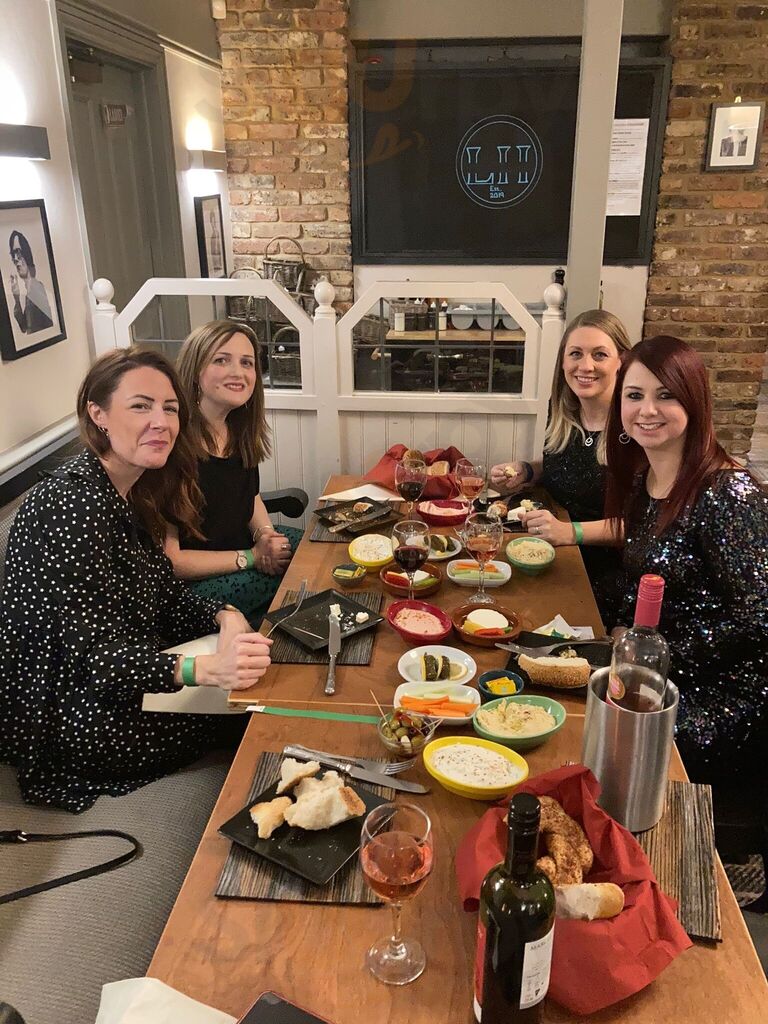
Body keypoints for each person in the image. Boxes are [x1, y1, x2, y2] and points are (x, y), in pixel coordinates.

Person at [0, 348, 272, 812]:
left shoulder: (133, 490)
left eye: (170, 408)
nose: (161, 422)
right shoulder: (71, 505)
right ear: (98, 414)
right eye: (140, 406)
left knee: (267, 685)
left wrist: (225, 615)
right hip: (75, 716)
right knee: (263, 712)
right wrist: (204, 671)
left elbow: (165, 595)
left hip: (127, 677)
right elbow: (92, 659)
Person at [604, 335, 768, 781]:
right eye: (634, 395)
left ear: (694, 403)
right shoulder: (645, 481)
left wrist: (653, 656)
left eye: (666, 395)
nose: (647, 410)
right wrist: (622, 631)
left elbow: (758, 618)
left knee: (604, 747)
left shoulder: (728, 493)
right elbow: (643, 575)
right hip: (658, 675)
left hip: (721, 695)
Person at [490, 309, 631, 623]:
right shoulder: (563, 412)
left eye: (599, 354)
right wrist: (528, 470)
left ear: (622, 361)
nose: (585, 366)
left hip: (604, 578)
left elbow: (645, 525)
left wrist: (570, 532)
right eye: (576, 354)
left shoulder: (636, 426)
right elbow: (568, 465)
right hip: (547, 555)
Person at [166, 321, 302, 621]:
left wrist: (266, 535)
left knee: (314, 548)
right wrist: (253, 557)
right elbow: (172, 562)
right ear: (195, 369)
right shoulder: (172, 445)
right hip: (194, 588)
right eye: (221, 360)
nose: (238, 372)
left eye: (247, 363)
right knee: (303, 581)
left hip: (245, 550)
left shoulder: (238, 428)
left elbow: (250, 497)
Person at [8, 231, 53, 334]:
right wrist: (16, 298)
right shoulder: (30, 290)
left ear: (26, 254)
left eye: (18, 253)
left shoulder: (36, 288)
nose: (16, 260)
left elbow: (44, 328)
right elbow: (24, 327)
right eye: (13, 255)